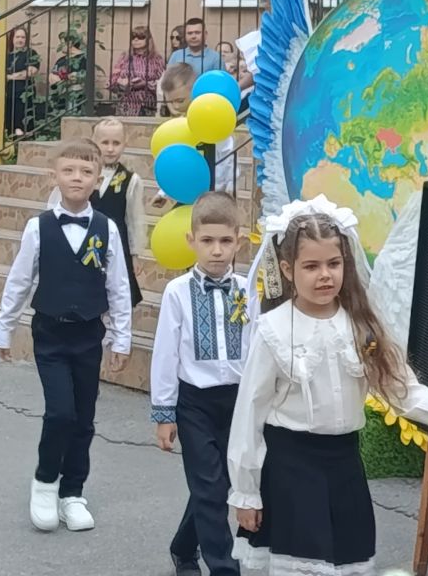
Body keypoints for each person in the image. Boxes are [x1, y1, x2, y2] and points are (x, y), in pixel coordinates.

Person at [227, 199, 428, 575]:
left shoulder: (361, 325)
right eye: (311, 266)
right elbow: (249, 413)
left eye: (333, 264)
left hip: (345, 468)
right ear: (287, 269)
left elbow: (401, 390)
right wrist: (246, 492)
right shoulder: (273, 331)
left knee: (348, 564)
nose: (325, 275)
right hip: (291, 470)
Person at [0, 139, 133, 533]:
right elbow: (20, 280)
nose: (77, 178)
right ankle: (44, 482)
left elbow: (119, 286)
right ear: (54, 175)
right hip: (51, 333)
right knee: (60, 413)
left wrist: (121, 337)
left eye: (86, 172)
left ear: (97, 179)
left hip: (89, 334)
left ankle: (73, 492)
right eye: (69, 170)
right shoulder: (38, 227)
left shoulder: (107, 228)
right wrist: (5, 327)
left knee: (84, 418)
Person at [151, 191, 250, 576]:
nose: (217, 250)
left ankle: (182, 546)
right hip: (194, 404)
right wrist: (164, 413)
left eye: (225, 241)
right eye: (207, 241)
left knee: (219, 484)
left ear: (238, 241)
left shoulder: (247, 290)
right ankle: (225, 568)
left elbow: (257, 344)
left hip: (238, 401)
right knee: (209, 488)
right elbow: (165, 354)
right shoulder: (176, 293)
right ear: (191, 241)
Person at [49, 118, 145, 307]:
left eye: (116, 143)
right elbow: (55, 207)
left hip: (116, 245)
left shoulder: (131, 180)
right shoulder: (78, 175)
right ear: (94, 143)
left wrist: (135, 254)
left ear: (125, 144)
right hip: (82, 242)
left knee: (116, 292)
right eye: (105, 142)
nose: (110, 149)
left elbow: (134, 219)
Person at [156, 64, 236, 194]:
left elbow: (227, 155)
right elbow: (178, 162)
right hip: (191, 190)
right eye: (170, 102)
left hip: (216, 190)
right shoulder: (178, 126)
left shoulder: (212, 120)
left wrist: (229, 187)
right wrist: (163, 193)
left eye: (180, 100)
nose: (175, 106)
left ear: (194, 91)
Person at [110, 26, 166, 117]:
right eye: (133, 37)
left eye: (140, 37)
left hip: (148, 107)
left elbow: (163, 84)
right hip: (126, 106)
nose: (136, 40)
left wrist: (145, 84)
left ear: (148, 39)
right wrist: (121, 82)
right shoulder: (124, 57)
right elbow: (112, 80)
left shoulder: (157, 59)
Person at [0, 27, 39, 137]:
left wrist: (8, 77)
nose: (20, 40)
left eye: (23, 37)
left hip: (24, 95)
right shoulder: (3, 55)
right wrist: (9, 77)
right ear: (12, 39)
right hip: (6, 94)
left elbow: (31, 72)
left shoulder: (31, 53)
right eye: (17, 37)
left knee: (23, 127)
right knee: (8, 125)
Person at [49, 29, 89, 117]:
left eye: (62, 43)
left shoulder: (83, 58)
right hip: (59, 97)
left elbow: (80, 77)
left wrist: (63, 78)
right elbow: (51, 76)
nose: (60, 46)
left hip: (74, 97)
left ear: (70, 43)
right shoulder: (61, 60)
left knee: (72, 118)